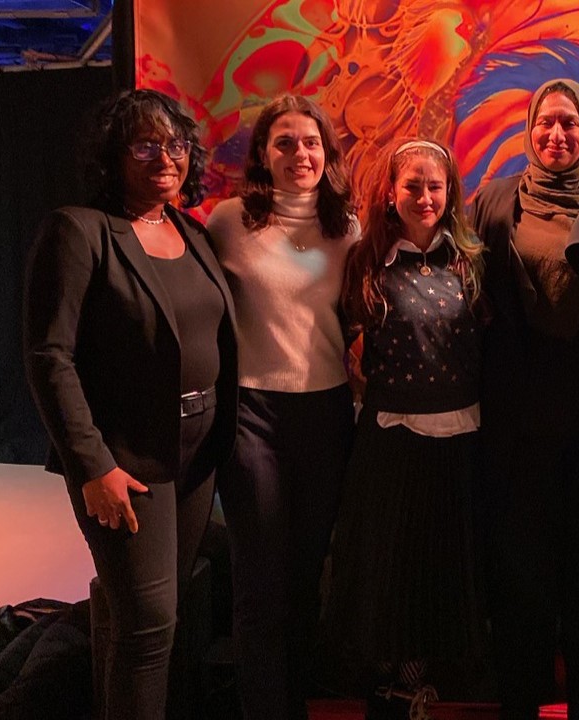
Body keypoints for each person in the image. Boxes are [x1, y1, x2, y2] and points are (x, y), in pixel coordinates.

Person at [23, 89, 237, 720]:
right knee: (150, 626)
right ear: (115, 155)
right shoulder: (79, 230)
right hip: (125, 458)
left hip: (196, 454)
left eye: (174, 145)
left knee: (130, 616)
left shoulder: (191, 231)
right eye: (144, 145)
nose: (163, 158)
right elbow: (49, 357)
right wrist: (92, 466)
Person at [470, 78, 579, 720]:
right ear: (529, 128)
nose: (557, 135)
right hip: (516, 430)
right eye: (546, 122)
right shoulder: (491, 202)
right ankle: (521, 702)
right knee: (520, 579)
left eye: (570, 122)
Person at [205, 93, 359, 720]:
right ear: (263, 155)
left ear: (328, 152)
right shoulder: (228, 220)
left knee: (304, 577)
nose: (300, 153)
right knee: (260, 580)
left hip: (326, 414)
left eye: (311, 142)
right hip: (252, 417)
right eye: (285, 142)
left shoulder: (348, 226)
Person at [323, 137, 486, 714]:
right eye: (411, 185)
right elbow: (334, 343)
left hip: (461, 443)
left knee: (443, 569)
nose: (423, 196)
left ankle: (430, 685)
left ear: (450, 193)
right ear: (390, 193)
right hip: (390, 445)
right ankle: (394, 690)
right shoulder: (365, 261)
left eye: (434, 186)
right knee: (392, 574)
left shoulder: (471, 259)